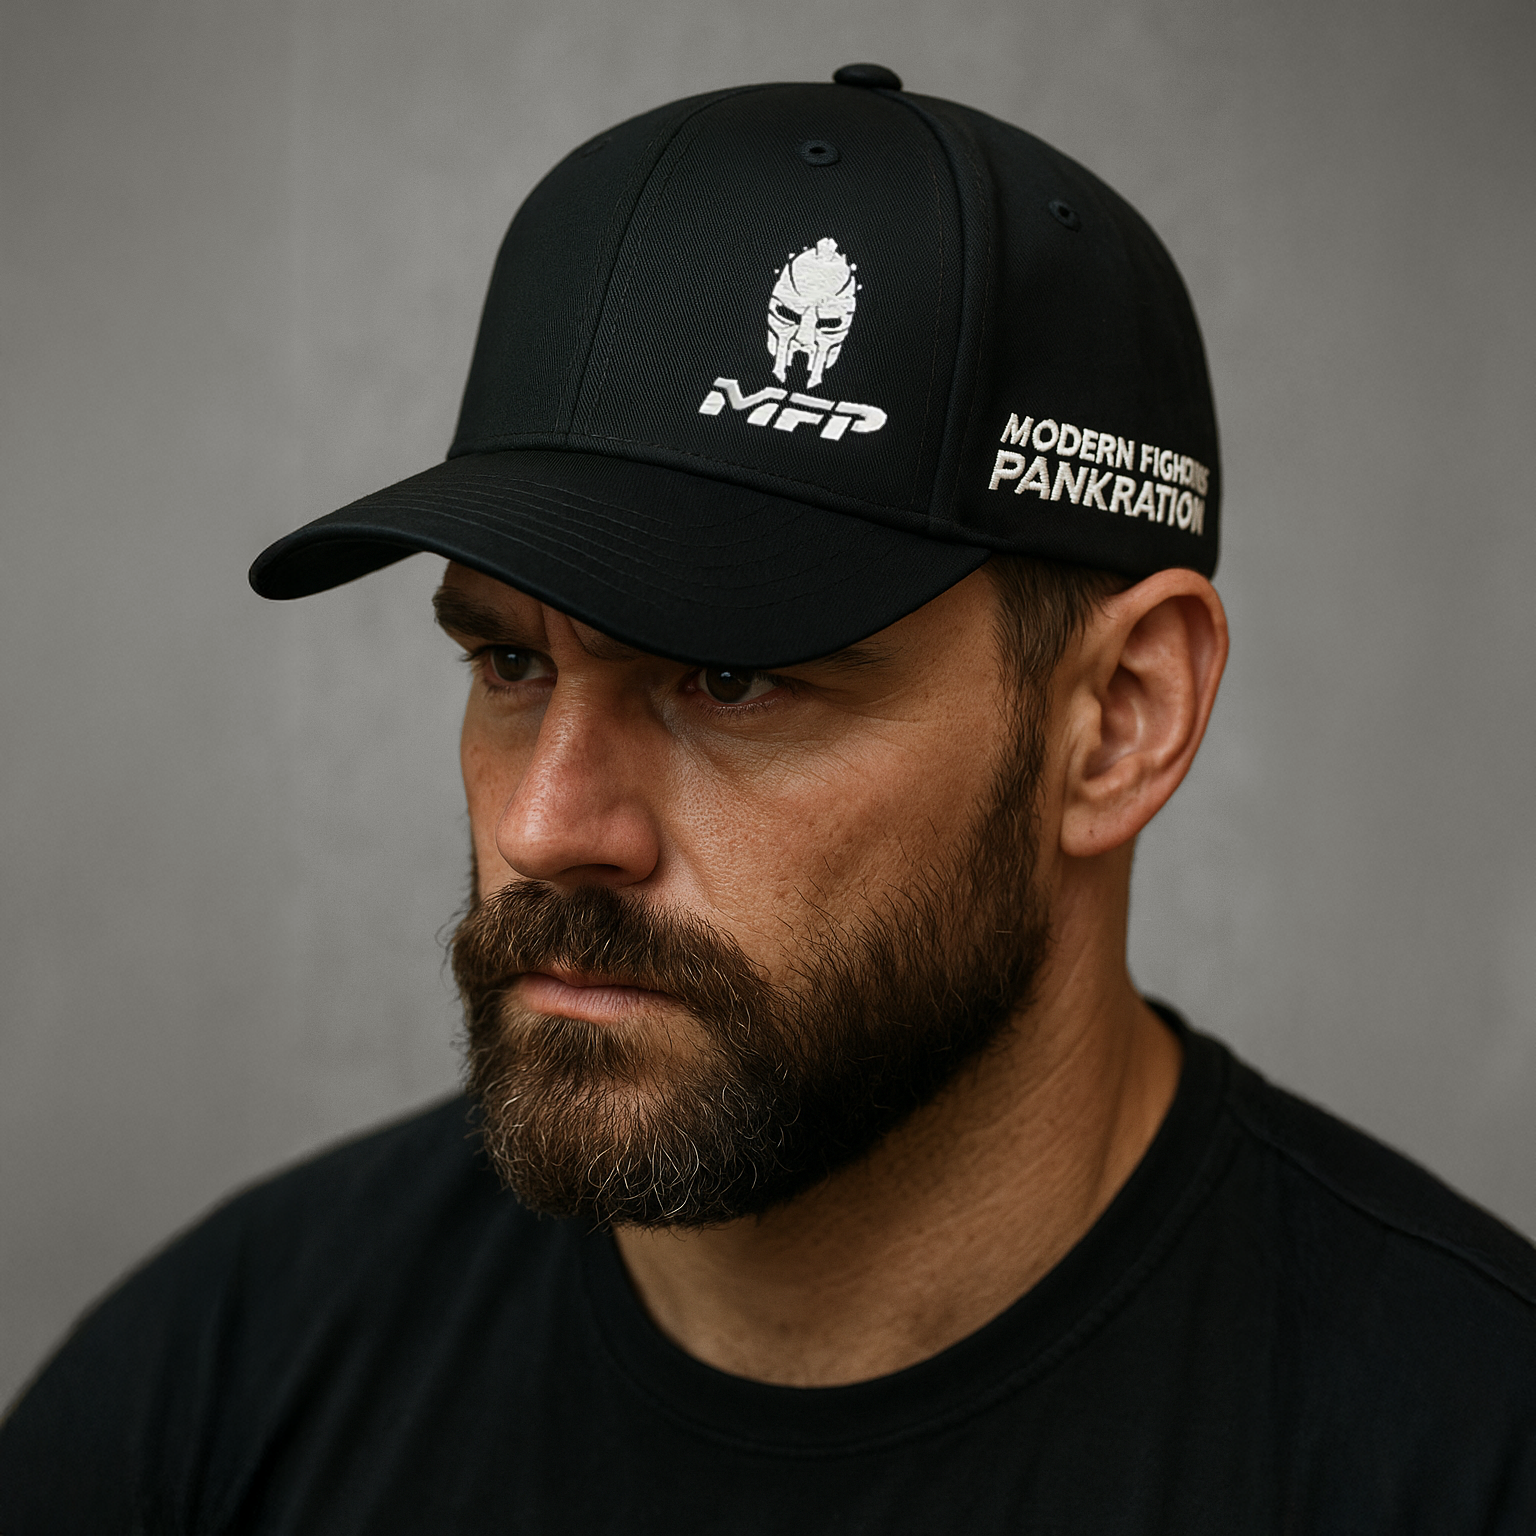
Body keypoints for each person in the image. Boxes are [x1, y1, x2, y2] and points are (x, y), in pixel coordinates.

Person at [2, 63, 1533, 1536]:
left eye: (733, 677)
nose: (545, 827)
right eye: (511, 662)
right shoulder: (221, 1390)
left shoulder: (1466, 1453)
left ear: (1120, 721)